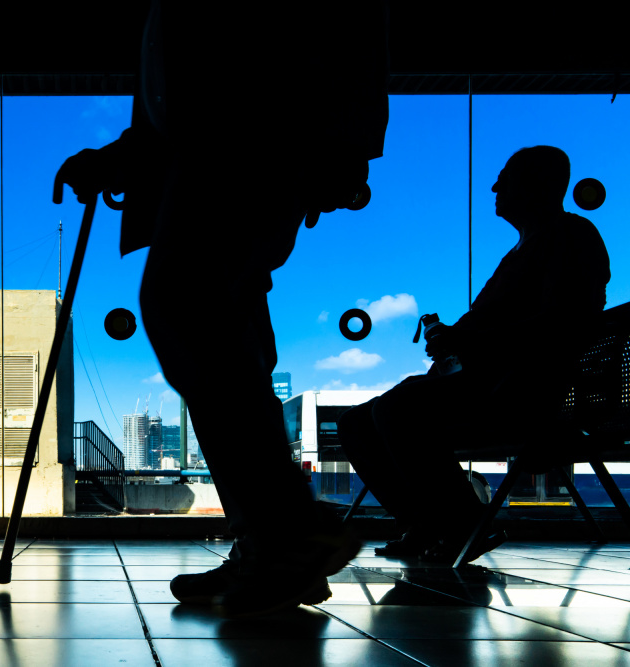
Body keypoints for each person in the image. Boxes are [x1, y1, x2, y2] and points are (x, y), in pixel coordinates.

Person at [55, 1, 390, 617]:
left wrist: (340, 148)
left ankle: (288, 534)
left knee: (182, 306)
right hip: (239, 147)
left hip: (241, 144)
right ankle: (277, 546)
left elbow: (239, 66)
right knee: (229, 341)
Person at [338, 145, 611, 562]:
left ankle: (460, 525)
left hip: (522, 391)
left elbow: (562, 321)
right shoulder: (530, 249)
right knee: (356, 422)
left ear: (537, 184)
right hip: (495, 386)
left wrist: (465, 341)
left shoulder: (570, 237)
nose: (495, 186)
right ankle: (429, 524)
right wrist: (457, 338)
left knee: (398, 408)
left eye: (506, 176)